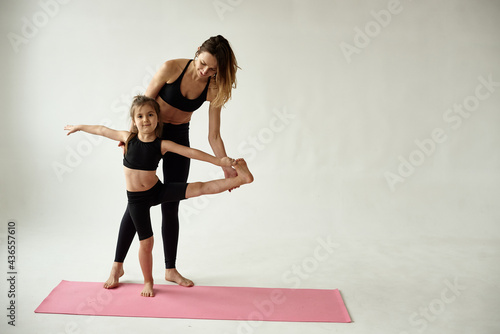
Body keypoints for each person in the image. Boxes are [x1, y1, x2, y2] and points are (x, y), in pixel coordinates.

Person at [65, 95, 253, 297]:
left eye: (150, 115)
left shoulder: (162, 144)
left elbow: (190, 152)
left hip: (157, 190)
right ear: (134, 120)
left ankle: (241, 178)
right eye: (140, 116)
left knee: (198, 187)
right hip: (137, 200)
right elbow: (102, 130)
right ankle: (148, 281)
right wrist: (80, 126)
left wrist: (220, 162)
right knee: (146, 242)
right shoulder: (127, 138)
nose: (145, 120)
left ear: (157, 119)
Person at [106, 35, 240, 289]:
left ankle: (170, 269)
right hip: (151, 135)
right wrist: (131, 139)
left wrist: (226, 169)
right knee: (138, 200)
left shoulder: (214, 87)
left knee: (172, 203)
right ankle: (117, 265)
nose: (205, 72)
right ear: (197, 50)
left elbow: (213, 135)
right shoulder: (171, 68)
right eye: (202, 64)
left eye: (213, 69)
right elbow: (141, 107)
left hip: (178, 136)